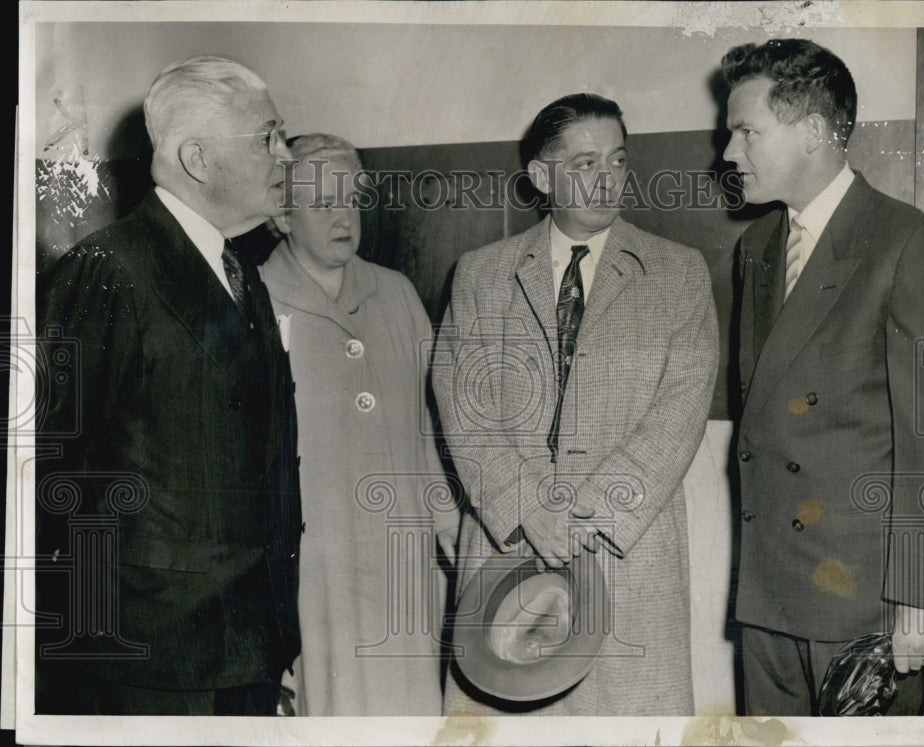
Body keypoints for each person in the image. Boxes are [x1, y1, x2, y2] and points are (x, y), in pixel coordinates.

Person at [433, 93, 719, 715]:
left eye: (617, 161)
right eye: (586, 163)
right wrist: (528, 506)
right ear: (541, 177)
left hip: (626, 555)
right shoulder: (481, 274)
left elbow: (679, 414)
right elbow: (463, 408)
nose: (607, 180)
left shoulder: (678, 273)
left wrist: (587, 517)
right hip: (505, 555)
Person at [35, 55, 300, 715]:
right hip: (147, 661)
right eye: (269, 137)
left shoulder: (241, 271)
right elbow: (48, 470)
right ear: (198, 158)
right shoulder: (109, 270)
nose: (287, 155)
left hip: (245, 647)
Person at [721, 39, 924, 716]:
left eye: (746, 132)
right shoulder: (756, 250)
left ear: (811, 131)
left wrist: (921, 598)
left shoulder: (908, 241)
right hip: (768, 595)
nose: (728, 154)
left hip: (867, 603)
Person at [260, 134, 459, 716]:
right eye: (322, 204)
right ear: (282, 214)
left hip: (401, 562)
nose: (343, 217)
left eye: (350, 199)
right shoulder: (254, 301)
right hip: (311, 572)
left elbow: (432, 422)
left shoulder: (395, 294)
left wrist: (448, 521)